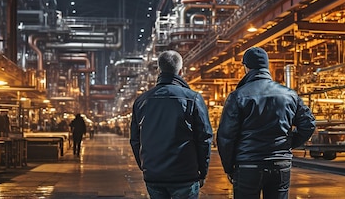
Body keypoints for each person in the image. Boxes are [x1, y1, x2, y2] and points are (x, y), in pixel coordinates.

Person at [216, 47, 316, 199]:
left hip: (248, 165)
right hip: (280, 164)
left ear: (246, 67)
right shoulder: (289, 95)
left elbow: (226, 137)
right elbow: (308, 124)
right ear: (267, 66)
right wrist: (287, 143)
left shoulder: (238, 96)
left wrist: (229, 168)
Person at [130, 50, 213, 199]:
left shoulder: (141, 101)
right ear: (181, 71)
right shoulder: (192, 99)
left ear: (159, 70)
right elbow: (204, 138)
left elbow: (135, 140)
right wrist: (202, 171)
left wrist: (146, 167)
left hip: (154, 175)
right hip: (185, 175)